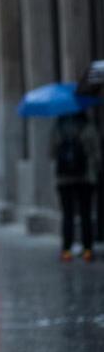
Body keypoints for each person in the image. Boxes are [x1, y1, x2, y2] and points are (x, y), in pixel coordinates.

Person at [51, 112, 100, 262]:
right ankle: (87, 251)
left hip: (64, 179)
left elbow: (51, 152)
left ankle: (66, 250)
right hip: (85, 177)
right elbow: (96, 154)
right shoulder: (88, 128)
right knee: (86, 214)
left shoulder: (58, 128)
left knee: (68, 215)